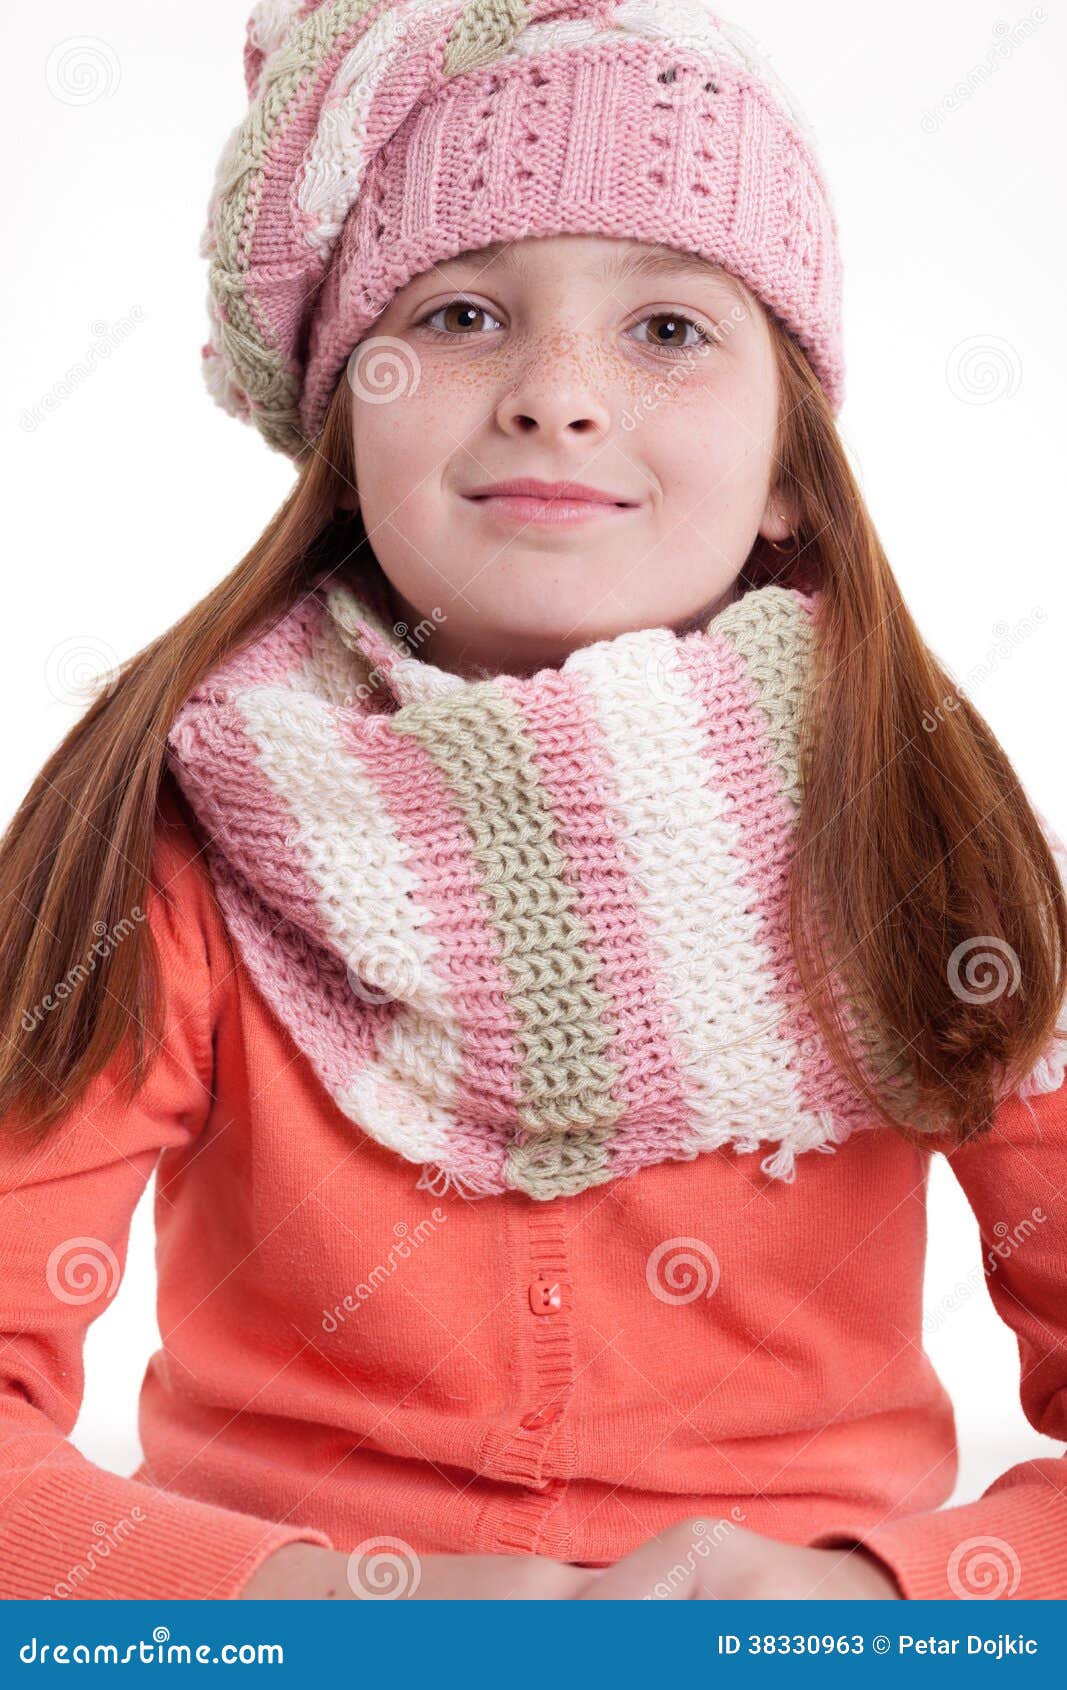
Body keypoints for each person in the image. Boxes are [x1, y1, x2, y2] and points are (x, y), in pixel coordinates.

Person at [1, 0, 1065, 1603]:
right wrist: (319, 1605)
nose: (559, 393)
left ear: (794, 459)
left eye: (668, 329)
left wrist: (866, 1597)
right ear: (343, 425)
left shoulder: (912, 835)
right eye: (462, 314)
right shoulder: (176, 847)